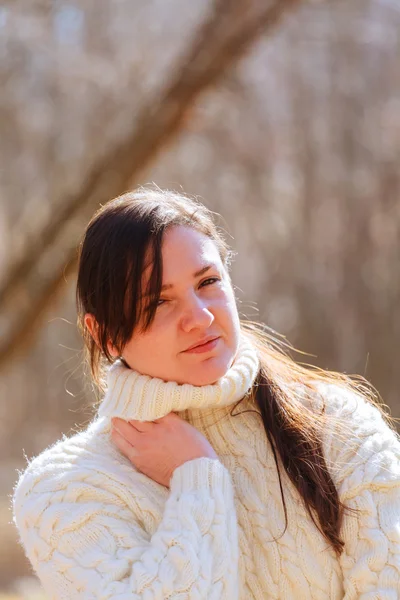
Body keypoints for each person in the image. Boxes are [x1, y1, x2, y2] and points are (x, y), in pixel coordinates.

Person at [12, 186, 400, 599]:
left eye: (208, 281)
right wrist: (198, 480)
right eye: (159, 302)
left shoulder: (339, 426)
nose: (199, 317)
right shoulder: (62, 492)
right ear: (104, 335)